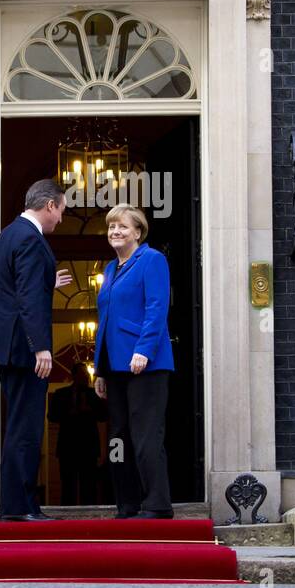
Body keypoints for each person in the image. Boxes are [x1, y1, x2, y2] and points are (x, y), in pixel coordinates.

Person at [0, 179, 72, 521]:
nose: (61, 219)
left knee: (19, 425)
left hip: (7, 344)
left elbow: (17, 287)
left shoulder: (8, 235)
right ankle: (18, 508)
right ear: (49, 205)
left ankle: (19, 505)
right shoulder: (32, 240)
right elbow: (29, 299)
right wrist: (41, 348)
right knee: (27, 428)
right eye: (62, 211)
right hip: (24, 347)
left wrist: (46, 281)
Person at [93, 203, 175, 519]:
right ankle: (126, 503)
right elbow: (105, 318)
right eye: (112, 226)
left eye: (122, 227)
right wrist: (100, 369)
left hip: (146, 365)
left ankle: (157, 503)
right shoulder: (110, 269)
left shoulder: (152, 260)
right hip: (114, 368)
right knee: (118, 439)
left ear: (138, 232)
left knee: (145, 435)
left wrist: (143, 349)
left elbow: (156, 308)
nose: (115, 231)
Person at [48, 363, 104, 505]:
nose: (84, 377)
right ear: (74, 376)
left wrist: (89, 410)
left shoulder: (93, 394)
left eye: (86, 374)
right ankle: (67, 515)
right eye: (81, 373)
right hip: (68, 446)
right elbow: (52, 416)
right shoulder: (61, 394)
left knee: (89, 485)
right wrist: (68, 414)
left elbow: (104, 416)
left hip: (88, 447)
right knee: (67, 484)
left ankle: (90, 515)